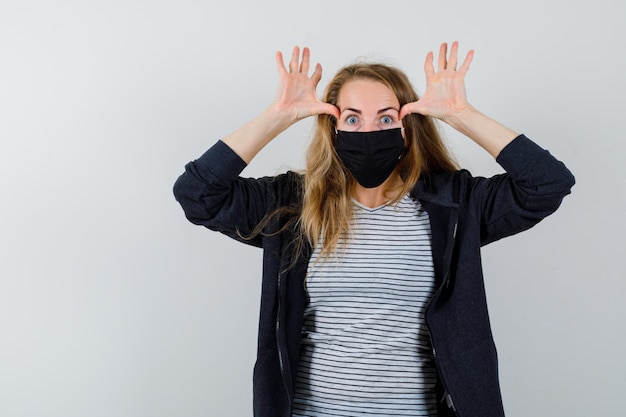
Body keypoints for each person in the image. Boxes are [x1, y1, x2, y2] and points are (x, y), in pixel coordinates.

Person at [173, 42, 575, 417]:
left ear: (410, 125)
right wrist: (277, 115)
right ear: (333, 128)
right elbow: (197, 194)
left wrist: (459, 114)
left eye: (386, 117)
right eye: (352, 118)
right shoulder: (292, 205)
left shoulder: (454, 205)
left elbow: (546, 184)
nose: (369, 131)